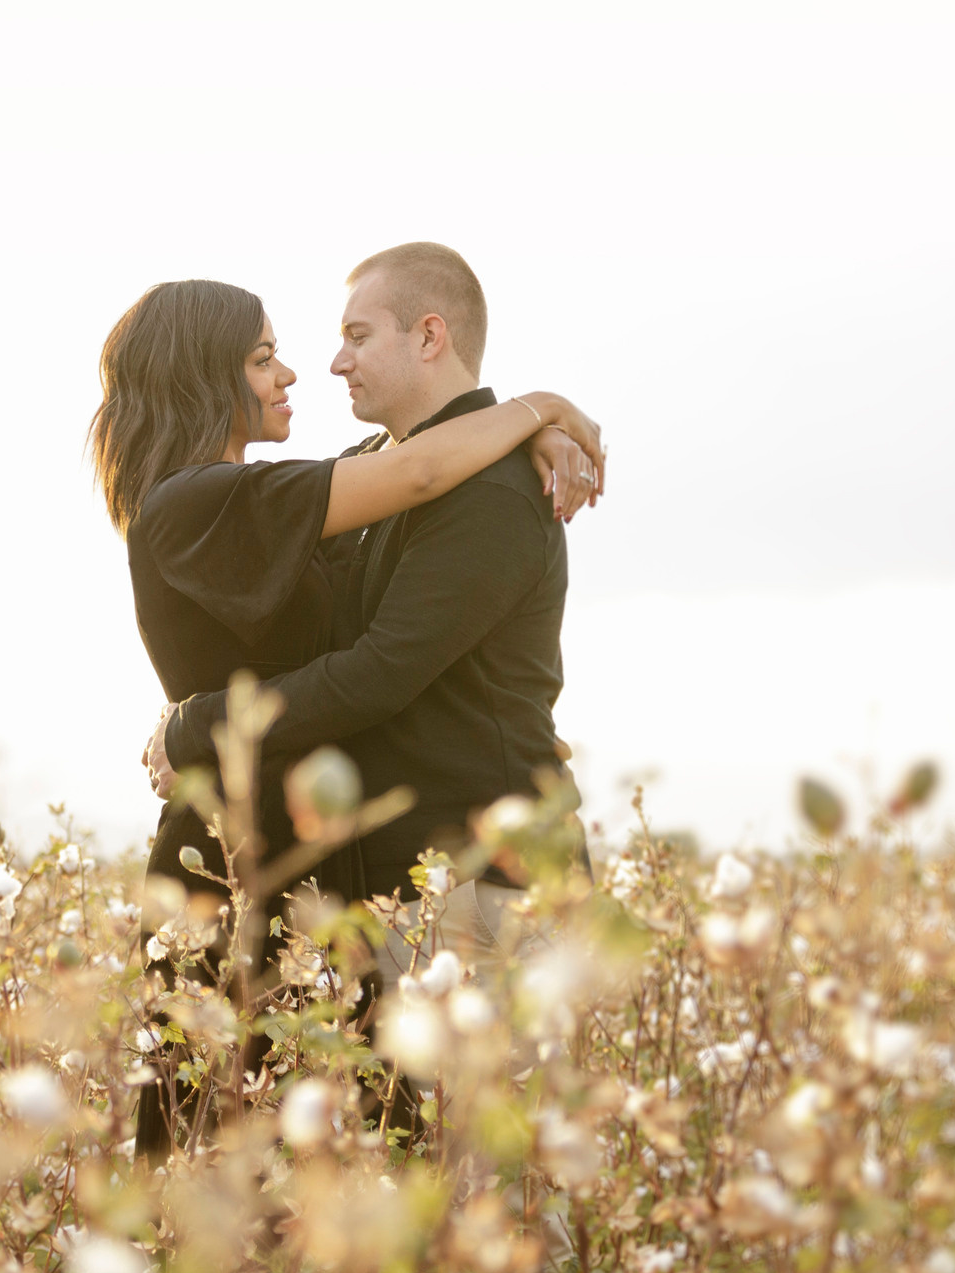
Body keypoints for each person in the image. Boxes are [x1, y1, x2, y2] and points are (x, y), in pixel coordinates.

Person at [88, 276, 604, 1160]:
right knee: (236, 1162)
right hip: (236, 861)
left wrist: (531, 433)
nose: (295, 372)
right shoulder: (202, 502)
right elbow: (421, 467)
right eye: (262, 357)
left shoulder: (265, 498)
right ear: (205, 374)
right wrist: (539, 406)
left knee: (346, 1168)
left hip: (319, 861)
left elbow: (411, 458)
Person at [145, 243, 584, 979]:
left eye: (358, 336)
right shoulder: (378, 468)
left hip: (487, 892)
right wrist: (535, 416)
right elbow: (402, 473)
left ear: (429, 336)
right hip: (410, 897)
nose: (333, 363)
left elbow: (378, 673)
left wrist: (194, 723)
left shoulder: (496, 493)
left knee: (483, 1099)